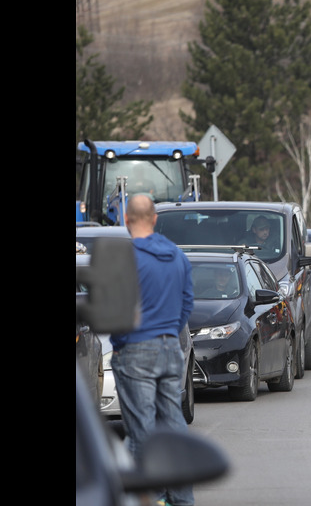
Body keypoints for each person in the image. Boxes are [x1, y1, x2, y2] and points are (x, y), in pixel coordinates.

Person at [110, 194, 195, 506]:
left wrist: (120, 344)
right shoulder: (177, 255)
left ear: (126, 219)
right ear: (155, 219)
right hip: (171, 347)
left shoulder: (126, 257)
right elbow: (187, 302)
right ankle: (183, 499)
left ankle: (152, 498)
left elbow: (115, 308)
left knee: (141, 429)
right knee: (173, 427)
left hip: (135, 349)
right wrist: (169, 332)